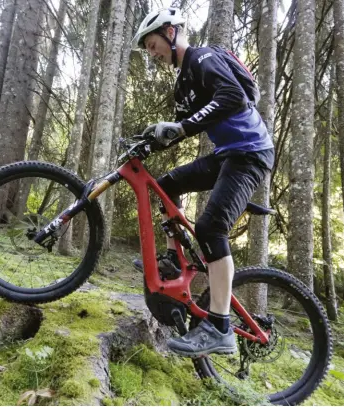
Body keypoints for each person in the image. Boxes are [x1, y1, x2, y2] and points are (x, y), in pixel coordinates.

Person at [131, 7, 275, 357]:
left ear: (170, 32)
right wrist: (147, 140)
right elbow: (183, 126)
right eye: (148, 49)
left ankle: (220, 327)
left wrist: (180, 127)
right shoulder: (183, 83)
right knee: (166, 185)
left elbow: (232, 98)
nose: (152, 54)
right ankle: (172, 259)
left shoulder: (203, 57)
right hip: (227, 153)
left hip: (250, 152)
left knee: (211, 226)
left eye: (152, 45)